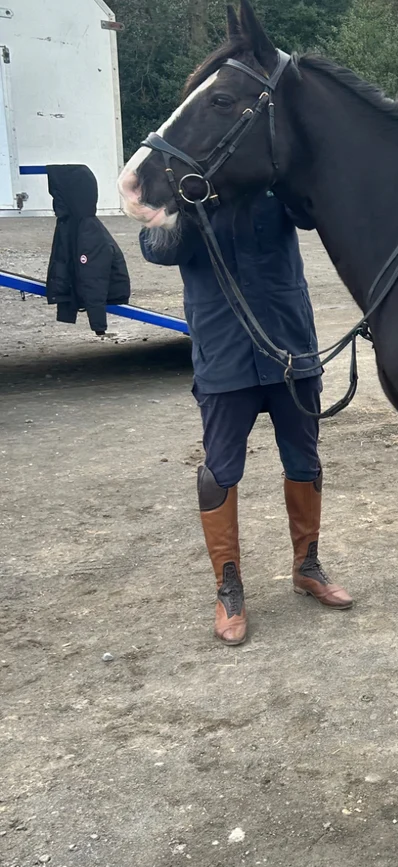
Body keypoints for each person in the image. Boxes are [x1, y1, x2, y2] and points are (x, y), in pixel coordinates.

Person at [140, 188, 352, 645]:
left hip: (289, 347)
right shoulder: (183, 188)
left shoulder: (274, 182)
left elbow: (313, 208)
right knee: (219, 473)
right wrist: (181, 207)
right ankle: (228, 588)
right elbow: (160, 250)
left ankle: (307, 566)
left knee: (304, 461)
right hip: (224, 355)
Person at [45, 165, 131, 334]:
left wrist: (98, 324)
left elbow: (94, 280)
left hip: (109, 292)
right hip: (88, 287)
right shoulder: (71, 224)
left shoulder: (87, 233)